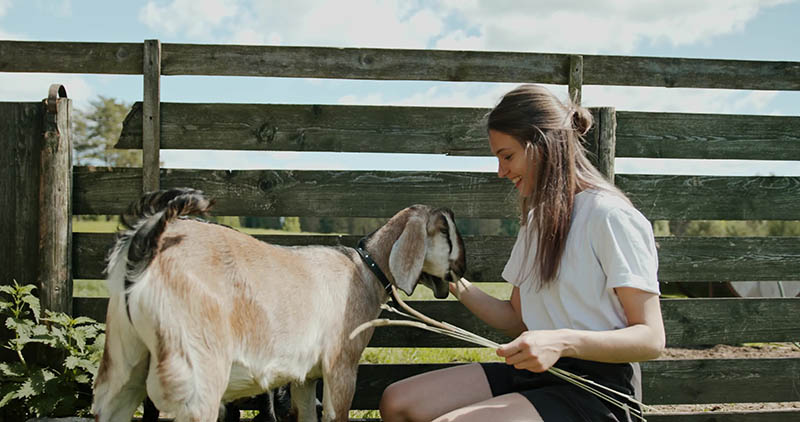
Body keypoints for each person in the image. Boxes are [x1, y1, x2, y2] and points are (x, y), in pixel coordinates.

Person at [378, 84, 666, 422]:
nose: (501, 171)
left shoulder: (610, 216)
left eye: (508, 155)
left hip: (597, 393)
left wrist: (561, 342)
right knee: (396, 401)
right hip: (535, 375)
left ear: (543, 146)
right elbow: (516, 319)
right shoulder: (537, 221)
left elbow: (651, 338)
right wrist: (450, 277)